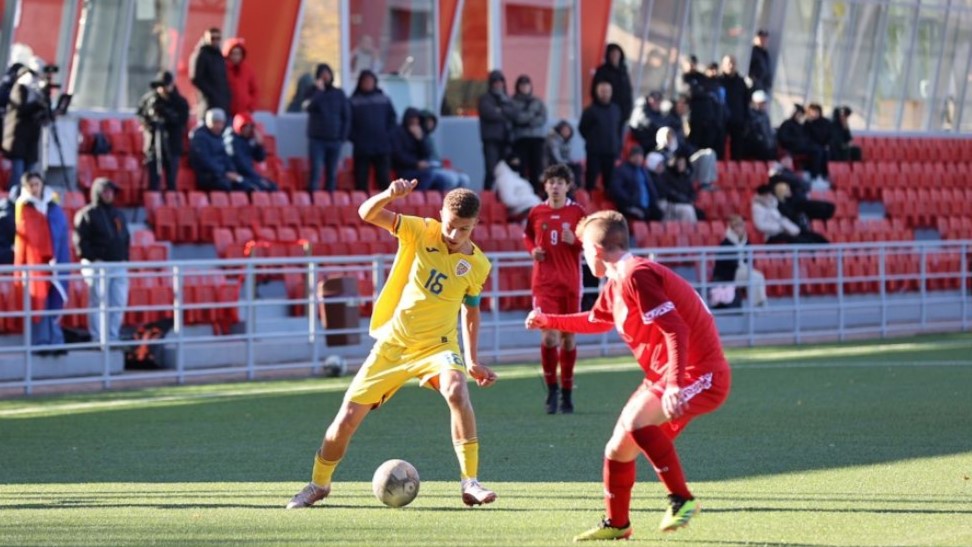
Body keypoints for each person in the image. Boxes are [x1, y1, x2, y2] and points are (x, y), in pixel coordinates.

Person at [286, 182, 499, 510]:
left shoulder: (478, 265)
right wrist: (389, 195)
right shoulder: (420, 230)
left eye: (464, 229)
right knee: (346, 418)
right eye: (450, 225)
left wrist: (472, 360)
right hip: (393, 345)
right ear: (441, 215)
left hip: (438, 346)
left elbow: (471, 310)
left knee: (457, 391)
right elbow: (366, 213)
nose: (454, 234)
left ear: (476, 225)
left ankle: (470, 482)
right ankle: (318, 484)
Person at [525, 210, 731, 541]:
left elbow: (676, 329)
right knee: (617, 450)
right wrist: (548, 320)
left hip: (700, 374)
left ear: (595, 249)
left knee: (637, 422)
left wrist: (675, 385)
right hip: (663, 377)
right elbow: (596, 321)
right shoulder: (616, 283)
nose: (582, 256)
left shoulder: (637, 274)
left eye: (583, 249)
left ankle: (682, 499)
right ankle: (617, 524)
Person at [523, 164, 586, 414]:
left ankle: (567, 392)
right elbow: (527, 236)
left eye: (560, 182)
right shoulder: (537, 212)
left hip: (570, 284)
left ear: (568, 186)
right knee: (548, 336)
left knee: (568, 339)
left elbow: (591, 242)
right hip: (544, 285)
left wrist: (577, 242)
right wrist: (533, 251)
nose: (555, 186)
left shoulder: (578, 212)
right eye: (551, 182)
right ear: (545, 185)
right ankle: (552, 390)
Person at [14, 172, 71, 350]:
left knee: (55, 299)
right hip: (34, 264)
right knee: (38, 302)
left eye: (36, 184)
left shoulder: (53, 207)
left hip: (55, 261)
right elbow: (24, 239)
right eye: (30, 185)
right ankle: (41, 342)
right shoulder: (22, 208)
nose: (34, 188)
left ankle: (56, 340)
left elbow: (61, 232)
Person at [73, 178, 131, 342]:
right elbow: (80, 241)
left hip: (118, 264)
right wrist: (93, 258)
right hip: (97, 265)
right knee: (98, 301)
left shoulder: (118, 214)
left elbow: (125, 237)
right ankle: (97, 337)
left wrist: (124, 257)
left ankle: (112, 336)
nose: (109, 195)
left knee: (118, 302)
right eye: (105, 191)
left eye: (111, 192)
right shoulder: (86, 214)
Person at [136, 70, 190, 192]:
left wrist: (167, 114)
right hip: (153, 144)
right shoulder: (150, 100)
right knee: (154, 180)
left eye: (165, 86)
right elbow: (141, 114)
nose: (162, 89)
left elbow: (182, 120)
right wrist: (148, 122)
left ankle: (170, 199)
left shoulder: (179, 102)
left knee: (171, 179)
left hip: (172, 144)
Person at [392, 108, 468, 191]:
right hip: (408, 170)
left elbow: (427, 154)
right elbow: (399, 156)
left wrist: (420, 139)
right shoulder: (398, 133)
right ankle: (420, 197)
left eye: (417, 120)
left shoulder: (420, 134)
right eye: (412, 119)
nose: (415, 122)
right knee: (447, 179)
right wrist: (416, 164)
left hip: (428, 168)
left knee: (463, 178)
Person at [303, 63, 350, 192]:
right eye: (322, 74)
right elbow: (308, 107)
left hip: (335, 139)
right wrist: (319, 91)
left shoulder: (339, 93)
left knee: (332, 173)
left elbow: (346, 116)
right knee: (316, 171)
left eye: (327, 74)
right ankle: (314, 197)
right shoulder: (311, 92)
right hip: (317, 139)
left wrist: (342, 137)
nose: (325, 77)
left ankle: (330, 197)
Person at [348, 70, 396, 192]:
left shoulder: (384, 99)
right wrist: (355, 138)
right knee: (361, 179)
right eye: (365, 81)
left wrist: (387, 135)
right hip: (362, 147)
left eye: (370, 81)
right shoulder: (353, 101)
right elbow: (347, 122)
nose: (368, 83)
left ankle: (385, 202)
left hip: (382, 146)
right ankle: (362, 203)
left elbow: (392, 119)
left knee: (383, 179)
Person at [2, 64, 47, 186]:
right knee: (18, 175)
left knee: (30, 176)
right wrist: (37, 104)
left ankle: (27, 196)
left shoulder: (38, 92)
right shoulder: (19, 89)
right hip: (18, 140)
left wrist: (44, 100)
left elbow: (44, 115)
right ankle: (14, 197)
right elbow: (21, 109)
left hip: (31, 141)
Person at [189, 108, 252, 192]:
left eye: (221, 123)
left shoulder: (219, 136)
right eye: (215, 122)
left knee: (247, 185)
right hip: (208, 176)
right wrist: (225, 173)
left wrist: (231, 170)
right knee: (226, 185)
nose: (219, 126)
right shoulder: (199, 137)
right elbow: (204, 160)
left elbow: (225, 156)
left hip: (222, 174)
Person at [712, 214, 767, 307]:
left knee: (758, 276)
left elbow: (751, 259)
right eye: (737, 226)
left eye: (741, 226)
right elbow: (725, 264)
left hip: (744, 270)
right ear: (732, 228)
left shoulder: (746, 242)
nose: (739, 228)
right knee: (755, 276)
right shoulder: (725, 243)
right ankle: (757, 304)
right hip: (730, 274)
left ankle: (760, 302)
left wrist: (746, 265)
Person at [579, 80, 622, 191]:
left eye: (607, 91)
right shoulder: (590, 110)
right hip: (594, 152)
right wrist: (593, 140)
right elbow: (582, 129)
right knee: (591, 181)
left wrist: (617, 148)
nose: (605, 94)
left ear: (611, 93)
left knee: (610, 183)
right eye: (602, 91)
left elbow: (618, 130)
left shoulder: (616, 109)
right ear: (597, 92)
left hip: (611, 152)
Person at [477, 70, 515, 190]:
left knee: (505, 170)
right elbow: (489, 114)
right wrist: (503, 112)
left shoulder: (507, 99)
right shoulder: (485, 98)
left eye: (500, 82)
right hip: (491, 139)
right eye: (495, 82)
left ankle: (502, 193)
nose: (498, 85)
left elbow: (513, 113)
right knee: (491, 169)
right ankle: (488, 193)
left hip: (506, 139)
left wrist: (500, 110)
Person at [509, 75, 548, 190]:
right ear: (518, 87)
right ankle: (523, 192)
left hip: (537, 139)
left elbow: (543, 118)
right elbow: (517, 118)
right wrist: (531, 115)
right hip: (521, 139)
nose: (525, 87)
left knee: (536, 167)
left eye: (527, 85)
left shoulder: (538, 101)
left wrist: (527, 119)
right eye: (522, 85)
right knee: (521, 167)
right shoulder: (512, 102)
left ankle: (535, 192)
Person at [223, 112, 278, 192]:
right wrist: (257, 178)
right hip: (238, 176)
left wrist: (259, 145)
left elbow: (260, 158)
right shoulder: (232, 141)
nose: (248, 129)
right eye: (246, 126)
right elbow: (241, 165)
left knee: (272, 187)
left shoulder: (248, 140)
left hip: (249, 175)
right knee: (256, 188)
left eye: (250, 127)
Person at [776, 105, 827, 186]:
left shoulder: (800, 126)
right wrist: (796, 142)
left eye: (801, 114)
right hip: (792, 148)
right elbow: (783, 138)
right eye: (798, 114)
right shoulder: (787, 124)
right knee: (816, 151)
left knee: (822, 150)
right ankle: (814, 177)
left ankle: (822, 175)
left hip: (803, 147)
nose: (800, 116)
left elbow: (807, 138)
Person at [609, 146, 662, 222]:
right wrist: (629, 200)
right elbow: (616, 188)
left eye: (640, 156)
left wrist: (655, 199)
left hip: (646, 205)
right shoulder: (622, 170)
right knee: (641, 214)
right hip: (630, 205)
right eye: (636, 156)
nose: (639, 159)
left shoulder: (643, 170)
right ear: (631, 157)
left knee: (659, 214)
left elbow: (651, 188)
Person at [189, 28, 231, 120]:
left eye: (218, 38)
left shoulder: (218, 55)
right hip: (208, 102)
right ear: (205, 38)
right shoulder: (201, 54)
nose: (215, 41)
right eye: (212, 38)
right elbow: (195, 78)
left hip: (221, 100)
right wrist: (211, 93)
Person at [591, 44, 633, 132]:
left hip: (622, 115)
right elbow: (596, 92)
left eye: (617, 54)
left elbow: (628, 92)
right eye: (612, 54)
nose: (615, 57)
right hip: (606, 114)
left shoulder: (623, 72)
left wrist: (628, 111)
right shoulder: (602, 71)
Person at [719, 55, 750, 161]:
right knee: (720, 146)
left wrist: (745, 120)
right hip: (722, 120)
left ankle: (735, 166)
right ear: (723, 65)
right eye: (728, 63)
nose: (731, 66)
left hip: (737, 120)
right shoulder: (718, 81)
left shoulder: (741, 82)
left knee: (737, 148)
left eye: (733, 63)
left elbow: (746, 102)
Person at [222, 37, 258, 117]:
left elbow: (254, 90)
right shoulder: (222, 68)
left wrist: (251, 106)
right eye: (233, 53)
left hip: (242, 112)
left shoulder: (248, 70)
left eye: (238, 53)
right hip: (226, 111)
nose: (236, 56)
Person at [544, 120, 583, 188]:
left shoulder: (566, 141)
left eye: (568, 130)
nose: (566, 132)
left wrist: (571, 162)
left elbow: (567, 156)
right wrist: (568, 163)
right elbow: (556, 157)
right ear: (559, 130)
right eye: (564, 130)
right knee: (568, 168)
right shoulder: (553, 140)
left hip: (562, 163)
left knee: (577, 166)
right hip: (552, 164)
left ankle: (577, 186)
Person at [739, 89, 776, 161]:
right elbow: (750, 133)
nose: (764, 105)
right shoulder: (750, 115)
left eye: (764, 103)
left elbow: (768, 132)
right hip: (754, 147)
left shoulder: (765, 116)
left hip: (766, 147)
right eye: (762, 103)